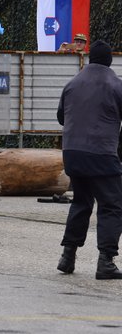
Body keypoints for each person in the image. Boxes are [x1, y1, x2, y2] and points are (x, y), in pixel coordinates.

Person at [57, 40, 122, 280]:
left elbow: (61, 117)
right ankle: (106, 261)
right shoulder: (116, 85)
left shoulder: (72, 83)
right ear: (109, 61)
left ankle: (67, 256)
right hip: (102, 154)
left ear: (90, 59)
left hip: (73, 153)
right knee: (112, 205)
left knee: (81, 202)